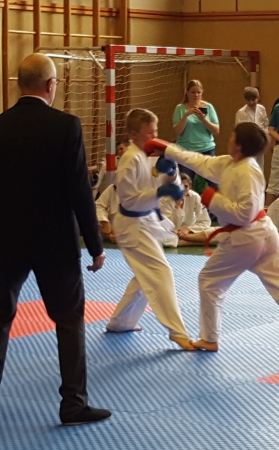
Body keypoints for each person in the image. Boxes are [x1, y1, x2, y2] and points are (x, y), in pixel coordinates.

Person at [0, 53, 110, 425]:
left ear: (19, 84)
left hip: (9, 236)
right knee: (69, 320)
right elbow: (79, 190)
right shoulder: (66, 125)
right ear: (51, 85)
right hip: (56, 241)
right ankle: (73, 403)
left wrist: (3, 226)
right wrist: (95, 244)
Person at [148, 122, 279, 353]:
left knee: (209, 281)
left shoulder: (247, 171)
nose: (228, 139)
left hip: (246, 237)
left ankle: (209, 338)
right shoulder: (230, 163)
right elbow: (199, 161)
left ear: (238, 145)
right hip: (264, 235)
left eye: (232, 136)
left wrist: (212, 199)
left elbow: (244, 213)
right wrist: (168, 149)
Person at [104, 108, 193, 349]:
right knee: (160, 271)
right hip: (130, 224)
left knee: (145, 275)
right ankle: (177, 331)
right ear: (133, 134)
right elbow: (129, 201)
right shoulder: (129, 161)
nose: (154, 136)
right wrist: (159, 192)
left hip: (148, 220)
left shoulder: (156, 153)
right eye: (149, 132)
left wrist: (172, 174)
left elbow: (173, 186)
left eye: (156, 131)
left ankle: (120, 323)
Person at [173, 80, 220, 189]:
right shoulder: (180, 108)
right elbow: (178, 131)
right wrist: (186, 116)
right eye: (193, 92)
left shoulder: (208, 107)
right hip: (186, 151)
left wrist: (203, 119)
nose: (196, 95)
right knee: (185, 184)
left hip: (207, 149)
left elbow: (216, 131)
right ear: (187, 93)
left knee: (214, 184)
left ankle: (215, 201)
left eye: (198, 92)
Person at [159, 173, 212, 243]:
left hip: (191, 232)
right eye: (178, 187)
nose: (182, 190)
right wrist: (177, 207)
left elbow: (205, 221)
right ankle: (186, 241)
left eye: (185, 186)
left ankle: (185, 240)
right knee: (162, 237)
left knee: (213, 232)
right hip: (171, 233)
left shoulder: (195, 197)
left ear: (190, 187)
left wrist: (188, 229)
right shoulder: (164, 200)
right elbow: (168, 226)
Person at [235, 87, 269, 172]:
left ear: (258, 98)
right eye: (248, 100)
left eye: (253, 100)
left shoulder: (261, 109)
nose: (251, 102)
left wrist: (265, 135)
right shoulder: (241, 112)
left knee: (260, 167)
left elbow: (266, 124)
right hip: (248, 144)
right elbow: (238, 130)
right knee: (249, 167)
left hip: (260, 141)